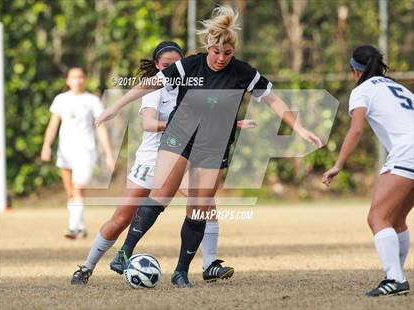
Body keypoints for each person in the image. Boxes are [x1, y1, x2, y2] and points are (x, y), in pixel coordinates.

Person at [95, 5, 321, 288]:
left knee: (199, 208)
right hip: (179, 135)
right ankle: (124, 252)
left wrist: (298, 127)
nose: (221, 58)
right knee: (161, 194)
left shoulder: (242, 72)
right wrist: (115, 107)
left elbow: (273, 98)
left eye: (228, 53)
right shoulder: (190, 65)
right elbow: (151, 84)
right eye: (216, 52)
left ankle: (180, 272)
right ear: (208, 47)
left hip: (214, 144)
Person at [71, 41, 255, 285]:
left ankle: (209, 264)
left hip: (180, 157)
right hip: (150, 161)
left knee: (204, 205)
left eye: (175, 64)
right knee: (121, 219)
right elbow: (148, 123)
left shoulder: (193, 84)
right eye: (166, 65)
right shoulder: (155, 91)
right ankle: (86, 267)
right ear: (158, 66)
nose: (171, 68)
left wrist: (230, 123)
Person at [323, 45, 413, 297]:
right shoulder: (397, 86)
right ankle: (395, 274)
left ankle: (395, 278)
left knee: (377, 218)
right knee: (395, 220)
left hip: (407, 151)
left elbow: (356, 130)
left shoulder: (362, 90)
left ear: (355, 70)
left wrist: (338, 164)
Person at [41, 66, 113, 239]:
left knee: (78, 187)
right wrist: (46, 146)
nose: (77, 80)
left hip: (85, 150)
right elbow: (53, 125)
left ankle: (73, 227)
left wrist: (109, 153)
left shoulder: (92, 100)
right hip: (65, 150)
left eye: (80, 77)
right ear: (67, 81)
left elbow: (101, 128)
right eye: (73, 77)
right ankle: (80, 227)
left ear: (85, 79)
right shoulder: (60, 99)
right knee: (70, 192)